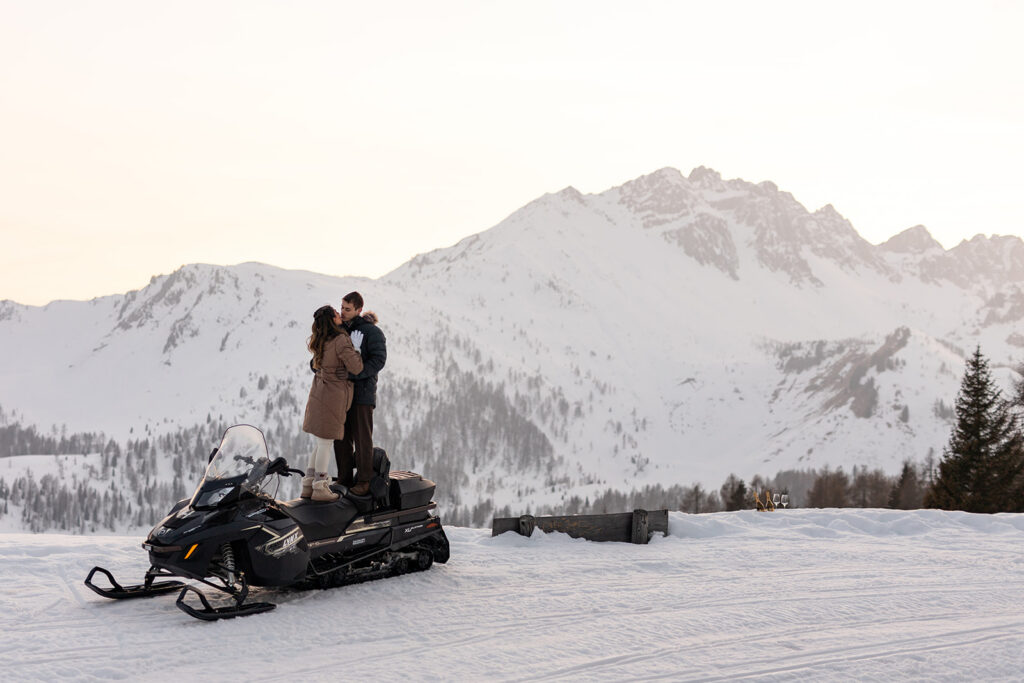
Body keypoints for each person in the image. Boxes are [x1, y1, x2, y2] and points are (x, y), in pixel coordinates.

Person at [301, 305, 364, 502]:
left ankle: (308, 485)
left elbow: (317, 365)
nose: (340, 314)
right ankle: (320, 487)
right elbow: (356, 367)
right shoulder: (340, 340)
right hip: (333, 398)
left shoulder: (321, 340)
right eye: (336, 314)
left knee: (320, 443)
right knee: (326, 443)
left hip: (318, 395)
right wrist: (356, 349)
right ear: (331, 319)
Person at [333, 291, 387, 497]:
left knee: (363, 438)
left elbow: (378, 361)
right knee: (341, 437)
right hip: (340, 393)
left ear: (359, 310)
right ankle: (344, 478)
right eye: (342, 308)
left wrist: (354, 374)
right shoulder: (339, 331)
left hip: (362, 394)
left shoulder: (371, 332)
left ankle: (364, 480)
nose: (343, 312)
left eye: (348, 309)